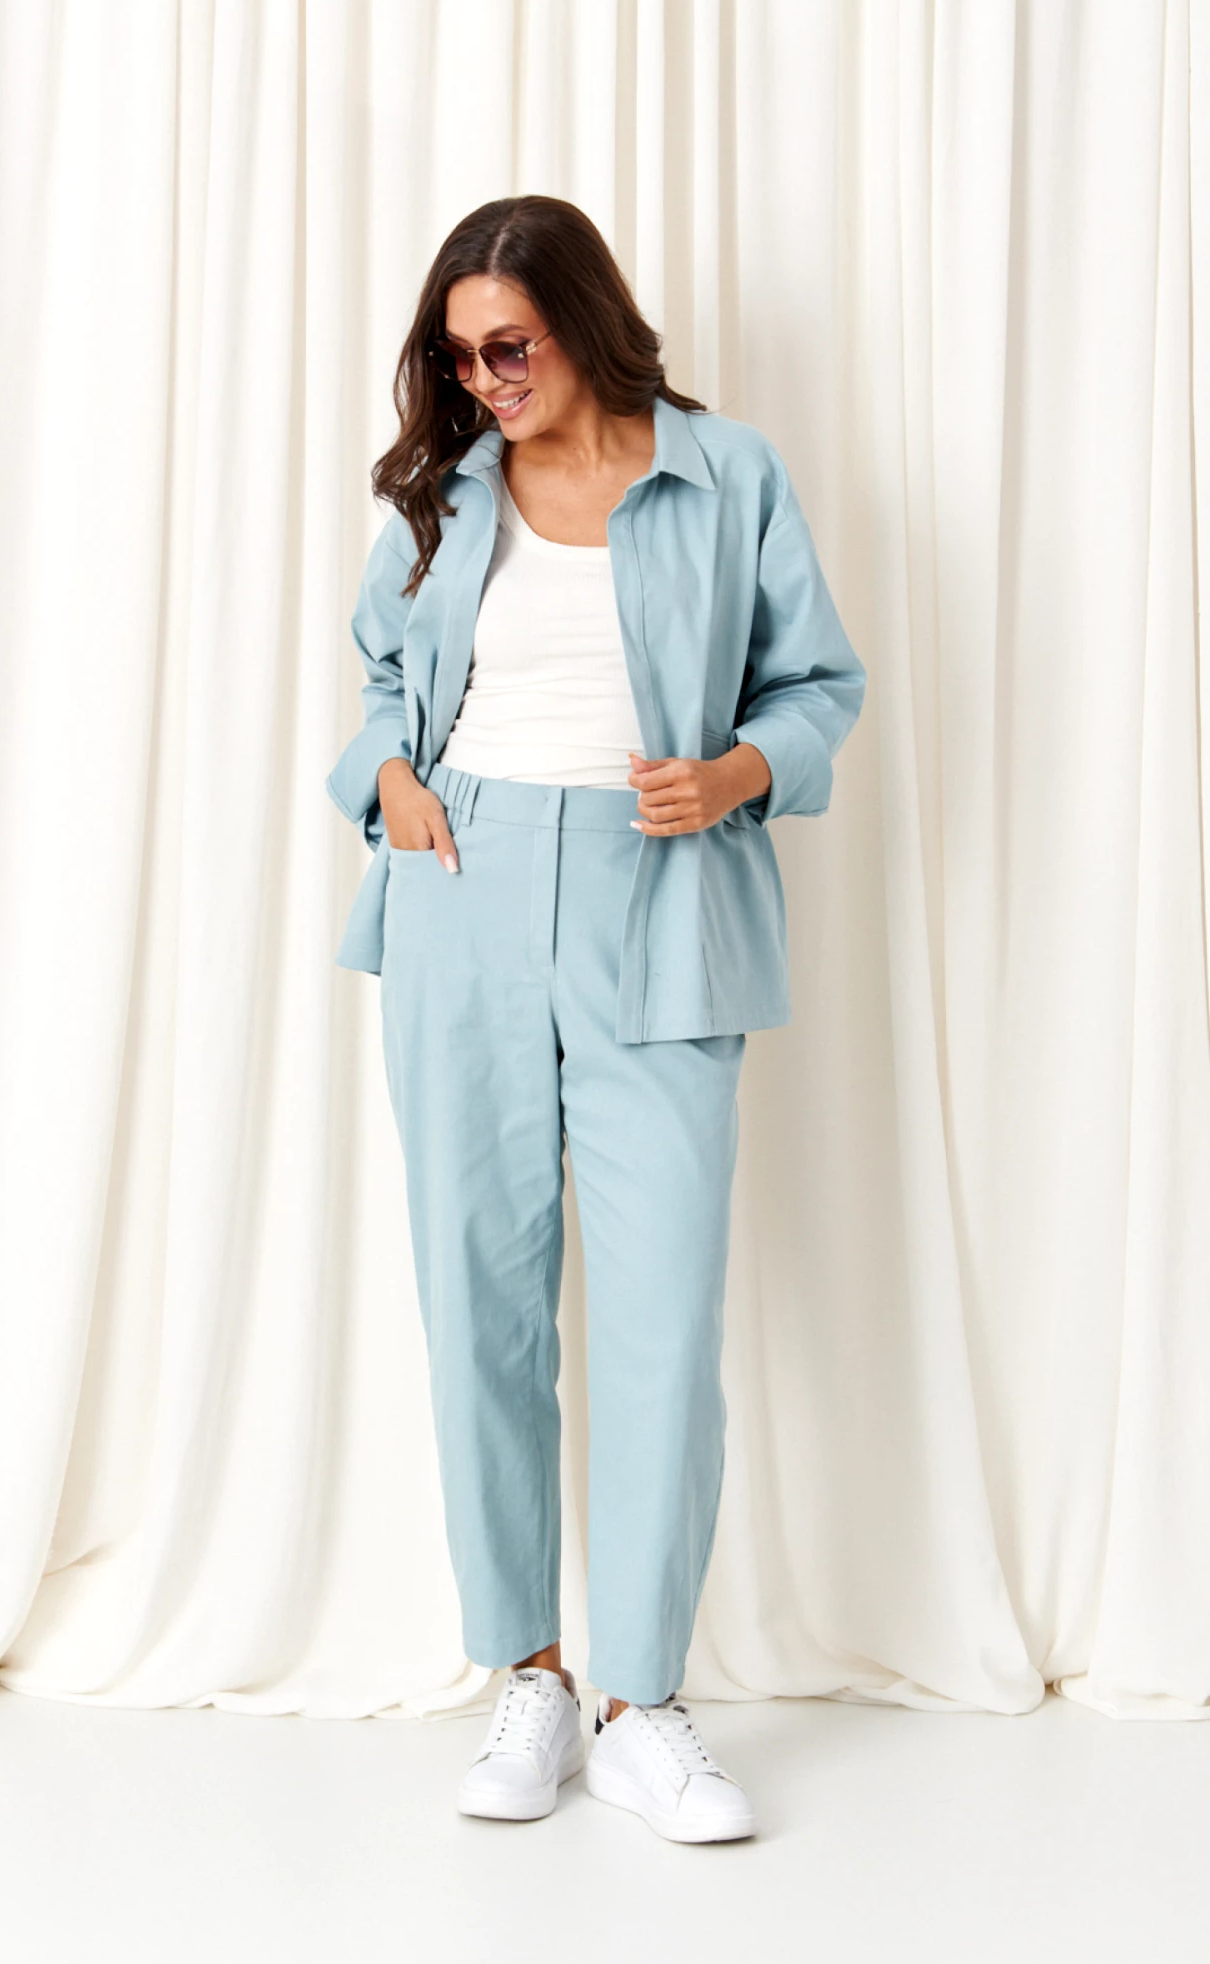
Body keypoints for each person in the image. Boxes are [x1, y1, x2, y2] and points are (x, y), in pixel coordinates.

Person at [325, 195, 865, 1843]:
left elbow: (820, 684)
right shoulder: (445, 496)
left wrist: (738, 772)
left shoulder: (727, 475)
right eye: (459, 357)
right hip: (463, 886)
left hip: (664, 897)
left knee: (660, 1321)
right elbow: (377, 685)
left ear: (584, 318)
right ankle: (532, 1678)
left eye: (511, 345)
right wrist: (387, 779)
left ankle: (644, 1701)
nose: (486, 379)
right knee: (479, 1300)